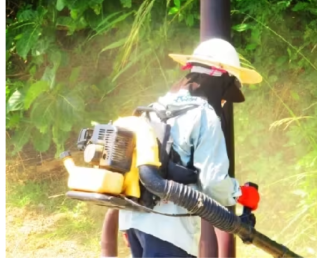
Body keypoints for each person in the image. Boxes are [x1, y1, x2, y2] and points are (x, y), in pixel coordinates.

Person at [101, 38, 262, 258]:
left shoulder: (157, 107)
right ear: (221, 82)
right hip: (168, 229)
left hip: (134, 220)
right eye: (226, 95)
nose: (224, 102)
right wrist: (241, 194)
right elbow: (213, 184)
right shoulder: (204, 116)